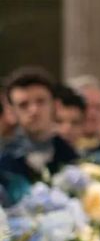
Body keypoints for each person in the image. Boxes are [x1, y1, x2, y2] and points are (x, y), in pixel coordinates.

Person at [1, 66, 80, 204]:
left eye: (40, 101)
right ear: (11, 112)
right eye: (23, 105)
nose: (33, 110)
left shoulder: (74, 158)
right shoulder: (3, 165)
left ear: (56, 105)